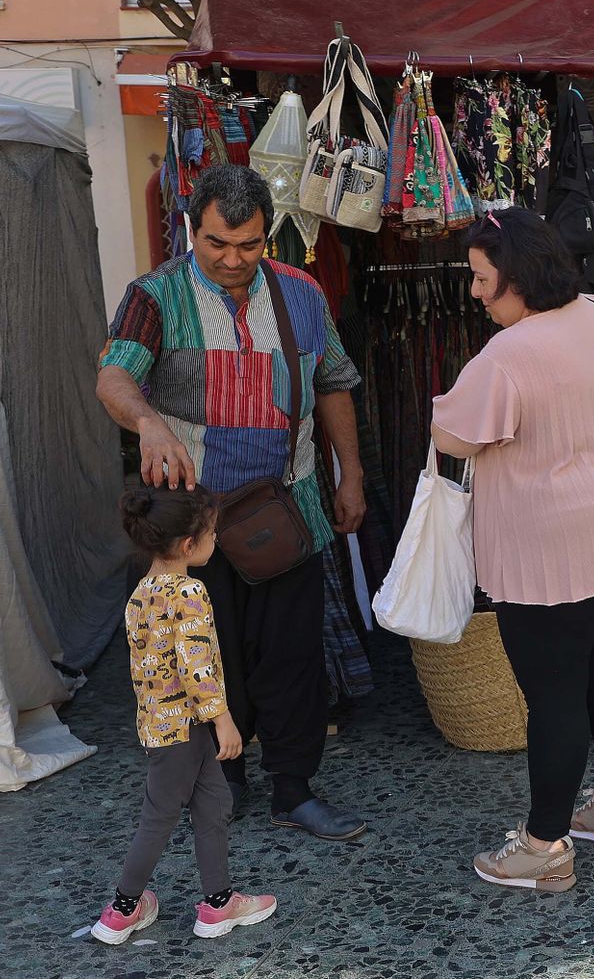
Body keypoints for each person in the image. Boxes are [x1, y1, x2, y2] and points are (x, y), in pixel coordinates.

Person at [97, 165, 367, 841]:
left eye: (248, 245)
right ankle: (224, 781)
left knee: (292, 657)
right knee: (205, 656)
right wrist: (149, 422)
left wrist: (351, 473)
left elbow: (334, 384)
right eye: (218, 243)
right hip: (191, 520)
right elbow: (113, 378)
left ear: (267, 235)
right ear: (193, 228)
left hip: (289, 511)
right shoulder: (153, 296)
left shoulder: (303, 294)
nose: (232, 259)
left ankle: (295, 789)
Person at [431, 208, 594, 892]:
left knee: (556, 696)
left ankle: (544, 845)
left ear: (516, 275)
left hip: (553, 547)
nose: (475, 293)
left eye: (482, 279)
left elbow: (451, 436)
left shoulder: (507, 356)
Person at [91, 486, 277, 945]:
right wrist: (224, 719)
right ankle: (123, 908)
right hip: (188, 728)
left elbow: (146, 667)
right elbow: (197, 665)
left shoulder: (139, 594)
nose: (217, 542)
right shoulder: (190, 591)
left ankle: (218, 903)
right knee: (159, 817)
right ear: (189, 545)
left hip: (162, 726)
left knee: (214, 807)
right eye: (212, 534)